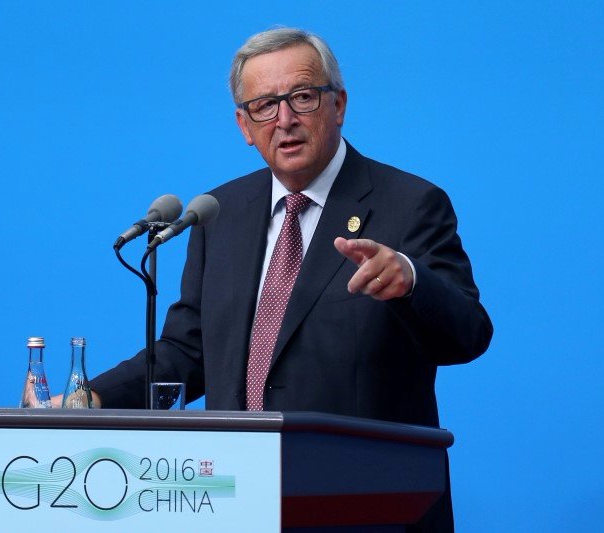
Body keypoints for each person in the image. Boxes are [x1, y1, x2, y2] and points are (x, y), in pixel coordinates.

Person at [79, 28, 493, 532]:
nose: (285, 120)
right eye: (263, 106)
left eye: (301, 97)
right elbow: (188, 353)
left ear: (338, 104)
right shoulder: (219, 213)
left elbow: (469, 333)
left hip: (366, 505)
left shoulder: (409, 204)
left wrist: (410, 280)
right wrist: (88, 398)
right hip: (235, 502)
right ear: (243, 125)